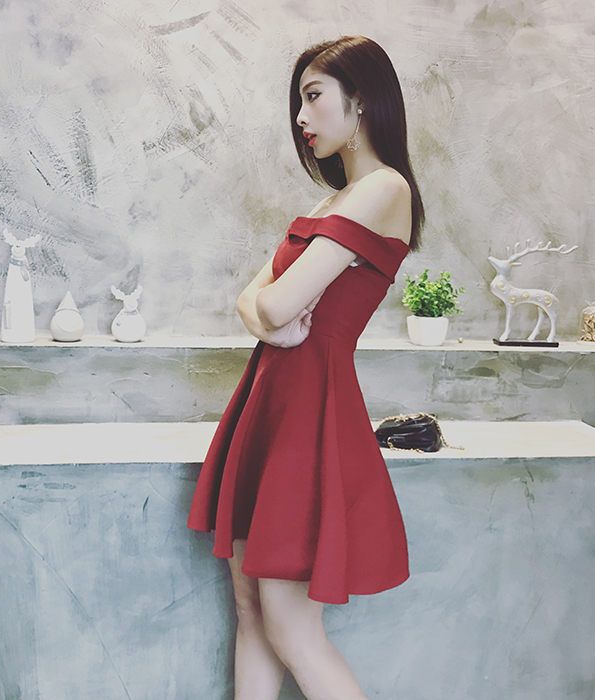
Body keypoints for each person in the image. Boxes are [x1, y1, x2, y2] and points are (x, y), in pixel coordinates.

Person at [187, 35, 425, 700]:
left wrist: (268, 313)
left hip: (309, 416)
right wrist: (267, 314)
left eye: (314, 96)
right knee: (252, 616)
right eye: (299, 100)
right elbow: (251, 300)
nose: (300, 116)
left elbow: (275, 302)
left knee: (294, 633)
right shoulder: (331, 203)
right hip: (271, 405)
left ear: (362, 101)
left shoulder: (385, 188)